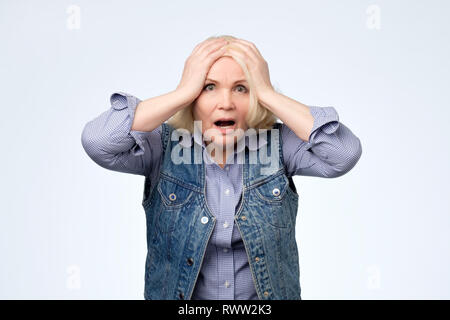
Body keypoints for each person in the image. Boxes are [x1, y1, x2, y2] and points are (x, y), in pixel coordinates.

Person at [81, 35, 363, 300]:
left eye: (241, 88)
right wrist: (182, 92)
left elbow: (344, 154)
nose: (225, 103)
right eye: (209, 87)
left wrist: (266, 92)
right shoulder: (163, 147)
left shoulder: (279, 146)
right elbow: (99, 141)